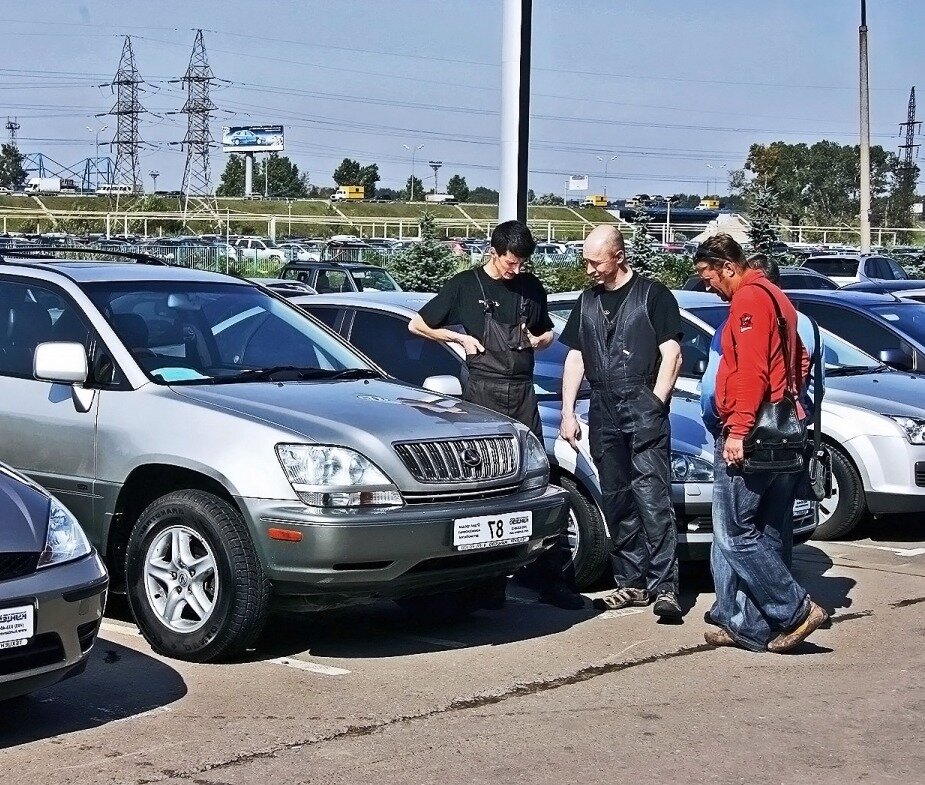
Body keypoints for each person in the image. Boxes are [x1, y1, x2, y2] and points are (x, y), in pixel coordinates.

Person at [409, 219, 584, 610]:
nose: (516, 270)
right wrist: (458, 337)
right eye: (510, 262)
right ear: (494, 252)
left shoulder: (530, 287)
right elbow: (417, 323)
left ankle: (551, 580)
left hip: (523, 394)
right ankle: (484, 585)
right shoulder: (464, 286)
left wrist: (540, 339)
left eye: (522, 263)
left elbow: (548, 334)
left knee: (538, 482)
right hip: (481, 396)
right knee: (486, 490)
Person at [693, 234, 828, 653]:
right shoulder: (778, 297)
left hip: (752, 435)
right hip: (785, 430)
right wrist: (788, 397)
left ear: (728, 268)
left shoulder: (749, 300)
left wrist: (738, 428)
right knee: (770, 531)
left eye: (708, 275)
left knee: (735, 534)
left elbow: (750, 370)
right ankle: (753, 626)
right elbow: (801, 358)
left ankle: (795, 610)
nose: (707, 285)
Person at [558, 224, 684, 621]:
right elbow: (576, 356)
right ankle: (630, 584)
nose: (590, 269)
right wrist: (567, 412)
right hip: (602, 407)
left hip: (641, 401)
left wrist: (656, 403)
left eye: (595, 262)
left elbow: (672, 353)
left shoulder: (653, 295)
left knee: (652, 498)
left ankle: (665, 587)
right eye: (586, 262)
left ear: (618, 255)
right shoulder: (587, 300)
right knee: (616, 497)